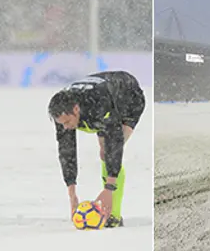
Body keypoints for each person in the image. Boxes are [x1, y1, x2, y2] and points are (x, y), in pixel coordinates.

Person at [47, 71, 146, 228]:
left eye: (67, 121)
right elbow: (67, 152)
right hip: (103, 98)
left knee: (107, 152)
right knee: (104, 150)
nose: (65, 127)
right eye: (62, 124)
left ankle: (113, 215)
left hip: (129, 99)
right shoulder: (62, 113)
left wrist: (109, 188)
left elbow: (114, 144)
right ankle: (108, 200)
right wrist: (72, 193)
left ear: (76, 109)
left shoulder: (99, 104)